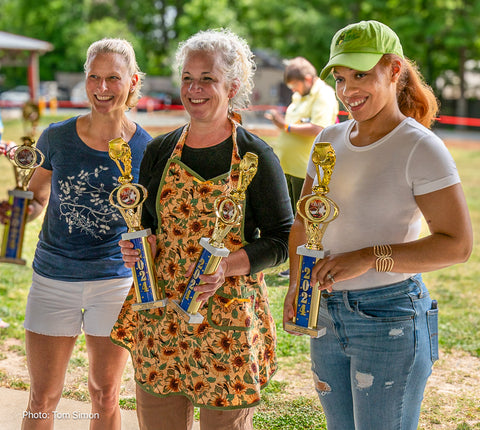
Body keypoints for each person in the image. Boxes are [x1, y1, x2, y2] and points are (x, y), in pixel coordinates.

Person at [283, 20, 472, 430]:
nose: (348, 90)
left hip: (391, 318)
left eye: (361, 75)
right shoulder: (327, 140)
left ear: (394, 70)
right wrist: (299, 286)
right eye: (340, 77)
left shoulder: (420, 147)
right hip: (326, 315)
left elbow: (457, 246)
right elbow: (303, 221)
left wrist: (370, 257)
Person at [111, 29, 293, 430]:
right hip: (161, 315)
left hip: (227, 319)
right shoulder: (160, 150)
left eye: (207, 78)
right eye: (188, 78)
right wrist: (143, 247)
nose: (194, 89)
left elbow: (283, 239)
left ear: (232, 85)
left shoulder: (255, 154)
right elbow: (148, 226)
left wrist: (227, 267)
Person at [0, 38, 151, 429]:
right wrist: (19, 212)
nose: (102, 88)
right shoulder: (56, 137)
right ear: (85, 80)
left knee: (104, 395)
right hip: (53, 278)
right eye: (94, 77)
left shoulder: (148, 148)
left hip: (114, 281)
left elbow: (151, 223)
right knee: (42, 397)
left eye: (113, 78)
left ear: (132, 81)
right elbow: (37, 196)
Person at [265, 57, 338, 278]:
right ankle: (292, 260)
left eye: (294, 84)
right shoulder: (300, 96)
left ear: (307, 79)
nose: (293, 89)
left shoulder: (324, 95)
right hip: (289, 167)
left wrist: (284, 126)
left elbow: (319, 128)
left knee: (305, 220)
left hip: (306, 170)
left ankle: (302, 265)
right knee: (291, 218)